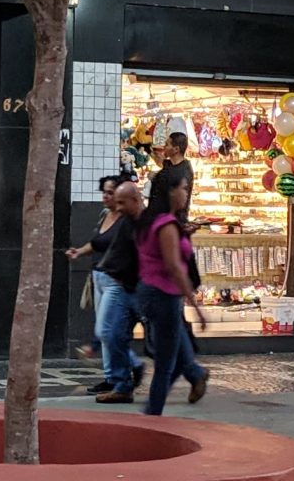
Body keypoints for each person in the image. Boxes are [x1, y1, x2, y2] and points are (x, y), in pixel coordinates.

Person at [135, 166, 209, 414]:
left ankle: (191, 377)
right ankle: (152, 414)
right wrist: (196, 307)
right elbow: (174, 267)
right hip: (164, 296)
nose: (186, 194)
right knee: (167, 365)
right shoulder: (166, 224)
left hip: (154, 294)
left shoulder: (152, 221)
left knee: (179, 359)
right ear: (171, 192)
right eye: (183, 189)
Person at [66, 174, 132, 391]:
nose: (105, 196)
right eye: (104, 192)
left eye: (110, 193)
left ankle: (126, 370)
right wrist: (79, 252)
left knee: (105, 330)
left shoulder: (127, 220)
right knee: (105, 331)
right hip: (98, 277)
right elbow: (96, 243)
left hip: (115, 280)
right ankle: (111, 376)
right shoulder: (105, 215)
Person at [92, 176, 145, 404]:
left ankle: (192, 372)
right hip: (122, 285)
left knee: (167, 341)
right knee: (112, 334)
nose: (118, 206)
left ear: (136, 200)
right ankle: (122, 383)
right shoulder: (124, 221)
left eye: (122, 202)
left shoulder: (148, 223)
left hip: (139, 289)